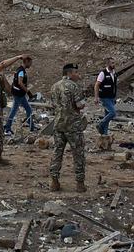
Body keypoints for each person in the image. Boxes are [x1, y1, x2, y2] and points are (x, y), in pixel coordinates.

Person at [49, 62, 87, 192]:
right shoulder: (74, 87)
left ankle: (54, 181)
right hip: (73, 125)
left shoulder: (54, 86)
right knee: (78, 153)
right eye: (75, 72)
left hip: (58, 124)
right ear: (69, 73)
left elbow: (53, 105)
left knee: (57, 152)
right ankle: (80, 184)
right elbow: (80, 105)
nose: (77, 74)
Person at [5, 56, 35, 134]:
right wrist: (28, 91)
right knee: (14, 110)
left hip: (20, 94)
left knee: (28, 109)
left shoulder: (20, 70)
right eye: (30, 63)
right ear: (27, 62)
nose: (31, 65)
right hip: (18, 94)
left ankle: (31, 126)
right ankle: (7, 128)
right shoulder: (21, 71)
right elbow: (20, 83)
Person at [94, 58, 118, 135]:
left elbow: (114, 85)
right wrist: (96, 97)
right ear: (108, 64)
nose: (114, 64)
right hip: (104, 97)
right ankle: (100, 124)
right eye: (112, 63)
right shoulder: (103, 73)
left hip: (111, 97)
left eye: (114, 63)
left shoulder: (114, 73)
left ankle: (104, 134)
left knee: (107, 115)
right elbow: (97, 85)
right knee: (113, 113)